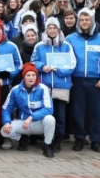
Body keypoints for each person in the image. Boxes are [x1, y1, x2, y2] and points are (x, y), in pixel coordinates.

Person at [65, 8, 100, 152]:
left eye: (87, 19)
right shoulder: (70, 39)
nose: (84, 22)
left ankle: (95, 140)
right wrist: (69, 77)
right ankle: (79, 138)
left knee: (96, 112)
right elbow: (66, 59)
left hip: (96, 81)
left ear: (92, 21)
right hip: (77, 80)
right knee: (77, 111)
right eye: (82, 20)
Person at [31, 17, 74, 152]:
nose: (52, 30)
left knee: (60, 115)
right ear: (46, 30)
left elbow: (72, 64)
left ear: (58, 29)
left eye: (54, 27)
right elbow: (33, 61)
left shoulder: (66, 45)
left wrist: (60, 71)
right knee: (47, 114)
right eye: (49, 28)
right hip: (45, 86)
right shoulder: (39, 46)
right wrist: (42, 66)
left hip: (61, 85)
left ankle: (58, 140)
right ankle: (47, 139)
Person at [0, 63, 57, 158]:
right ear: (24, 77)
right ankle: (22, 139)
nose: (31, 78)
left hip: (40, 123)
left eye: (34, 75)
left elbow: (48, 109)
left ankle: (47, 145)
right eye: (28, 75)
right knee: (4, 131)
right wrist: (6, 122)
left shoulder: (43, 88)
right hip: (24, 123)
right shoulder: (15, 90)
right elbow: (6, 109)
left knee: (50, 119)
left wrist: (31, 117)